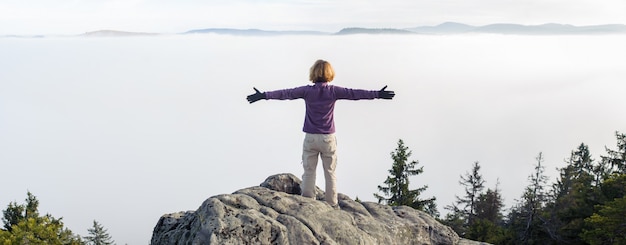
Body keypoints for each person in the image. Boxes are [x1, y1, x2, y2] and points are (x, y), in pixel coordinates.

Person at [246, 59, 395, 208]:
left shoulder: (307, 91)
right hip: (327, 139)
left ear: (313, 73)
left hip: (310, 138)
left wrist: (264, 95)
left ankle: (308, 201)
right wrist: (377, 94)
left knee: (309, 171)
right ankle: (332, 203)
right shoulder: (333, 91)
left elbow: (286, 93)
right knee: (330, 172)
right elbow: (354, 94)